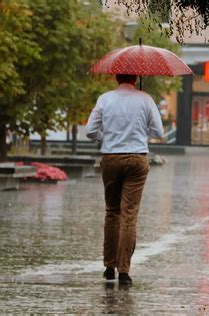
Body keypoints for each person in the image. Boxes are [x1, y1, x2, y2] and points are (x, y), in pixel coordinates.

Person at [86, 74, 163, 284]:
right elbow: (159, 131)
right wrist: (139, 131)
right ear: (136, 78)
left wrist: (107, 137)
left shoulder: (105, 99)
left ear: (116, 77)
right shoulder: (145, 99)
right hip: (137, 159)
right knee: (129, 215)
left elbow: (90, 131)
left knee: (112, 212)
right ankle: (124, 272)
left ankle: (109, 267)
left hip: (111, 158)